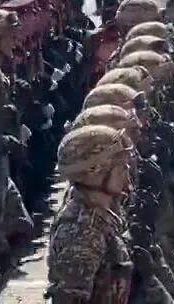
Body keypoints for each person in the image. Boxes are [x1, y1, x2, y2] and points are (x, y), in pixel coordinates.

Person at [45, 124, 135, 304]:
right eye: (121, 168)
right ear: (95, 171)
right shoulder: (82, 230)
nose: (127, 175)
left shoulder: (101, 215)